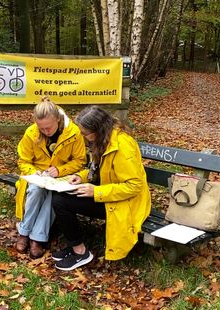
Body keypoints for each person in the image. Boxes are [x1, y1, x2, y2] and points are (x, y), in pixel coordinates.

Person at [51, 106, 151, 271]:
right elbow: (96, 169)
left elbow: (134, 186)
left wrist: (95, 192)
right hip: (109, 195)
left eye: (85, 133)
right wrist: (81, 177)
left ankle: (80, 252)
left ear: (98, 129)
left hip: (126, 204)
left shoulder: (122, 146)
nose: (84, 137)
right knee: (60, 198)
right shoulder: (103, 140)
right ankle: (76, 246)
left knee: (61, 202)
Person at [15, 97, 86, 259]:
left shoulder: (74, 133)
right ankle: (24, 233)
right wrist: (34, 172)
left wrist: (60, 170)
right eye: (41, 128)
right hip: (38, 176)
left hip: (62, 178)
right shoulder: (31, 132)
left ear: (58, 120)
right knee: (35, 189)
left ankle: (36, 239)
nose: (45, 131)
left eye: (48, 127)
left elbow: (80, 161)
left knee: (54, 197)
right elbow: (23, 160)